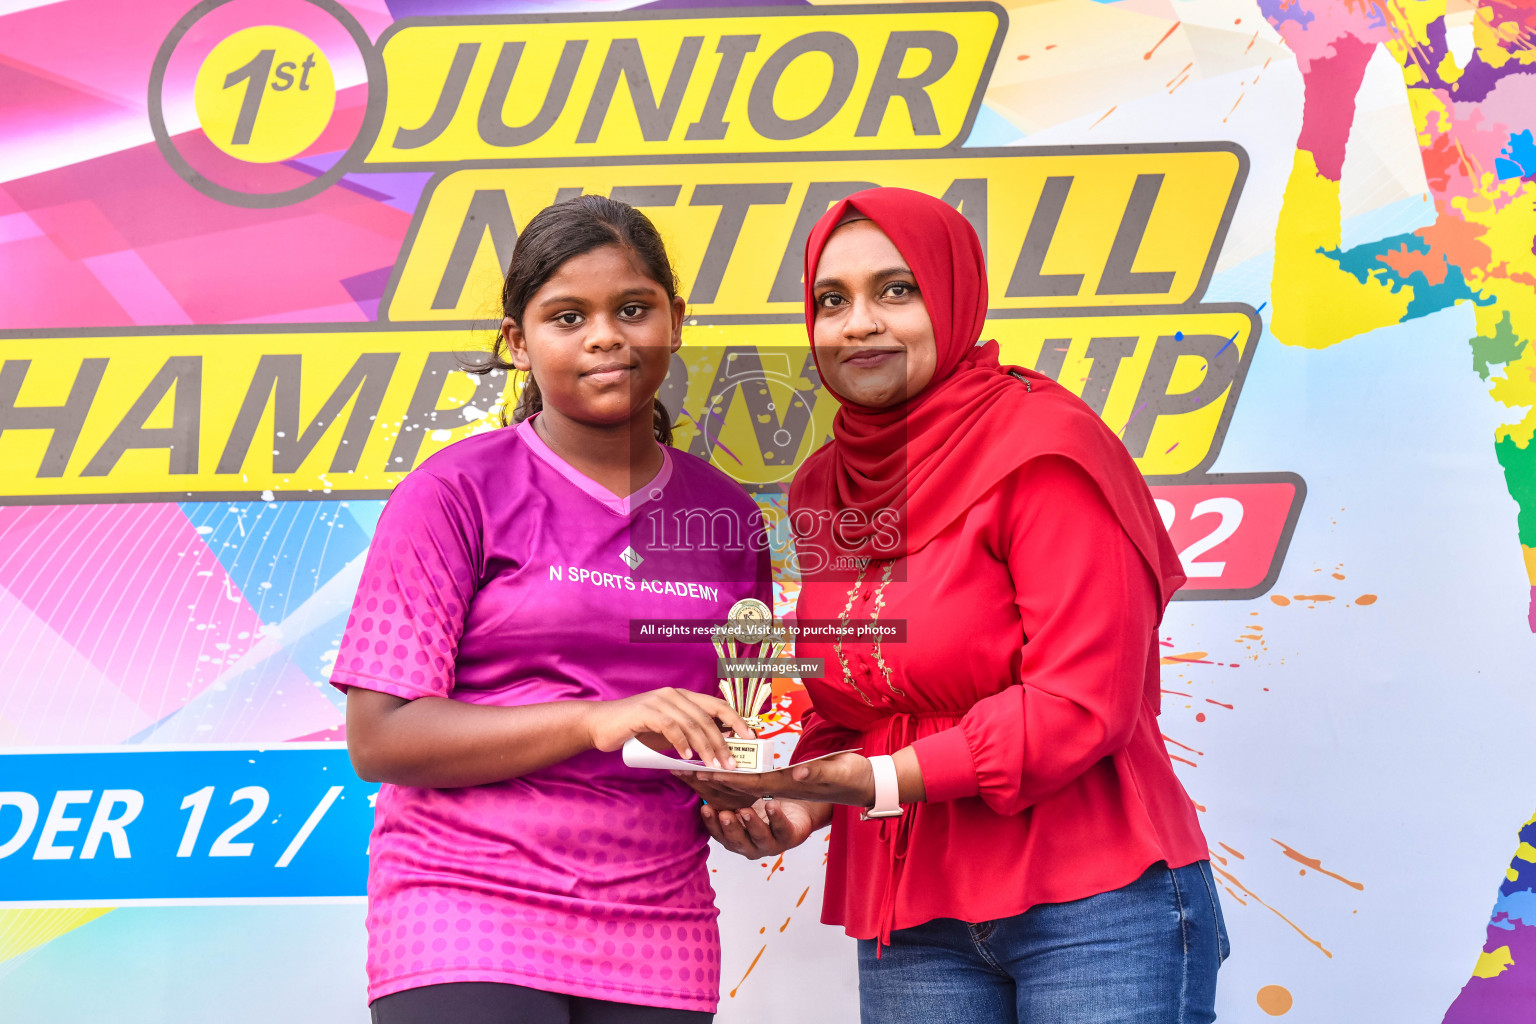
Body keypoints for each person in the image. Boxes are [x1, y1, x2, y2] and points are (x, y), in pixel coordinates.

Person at [679, 187, 1228, 1022]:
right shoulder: (823, 487)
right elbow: (852, 705)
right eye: (833, 300)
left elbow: (1082, 703)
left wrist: (878, 780)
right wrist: (798, 800)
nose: (860, 322)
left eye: (896, 291)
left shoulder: (1045, 448)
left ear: (953, 297)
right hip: (914, 918)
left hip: (1096, 904)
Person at [333, 195, 770, 1024]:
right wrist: (592, 719)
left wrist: (752, 799)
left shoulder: (728, 518)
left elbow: (731, 730)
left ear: (675, 322)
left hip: (658, 923)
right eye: (568, 316)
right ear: (518, 343)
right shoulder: (452, 493)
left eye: (632, 310)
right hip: (464, 905)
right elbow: (382, 737)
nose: (606, 336)